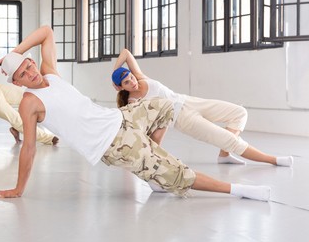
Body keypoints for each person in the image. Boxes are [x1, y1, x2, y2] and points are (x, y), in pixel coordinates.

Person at [0, 25, 270, 202]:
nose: (31, 73)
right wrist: (18, 189)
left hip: (122, 118)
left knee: (166, 105)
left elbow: (46, 32)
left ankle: (151, 167)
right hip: (113, 144)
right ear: (17, 82)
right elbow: (28, 147)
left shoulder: (49, 73)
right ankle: (237, 190)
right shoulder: (29, 102)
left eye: (28, 65)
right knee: (179, 173)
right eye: (23, 75)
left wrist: (12, 54)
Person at [111, 48, 293, 166]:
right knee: (229, 139)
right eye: (127, 82)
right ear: (123, 87)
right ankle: (273, 160)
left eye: (131, 77)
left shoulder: (141, 77)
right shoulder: (133, 103)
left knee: (239, 113)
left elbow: (126, 53)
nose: (133, 82)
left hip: (188, 101)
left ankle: (224, 155)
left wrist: (114, 73)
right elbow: (147, 127)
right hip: (181, 119)